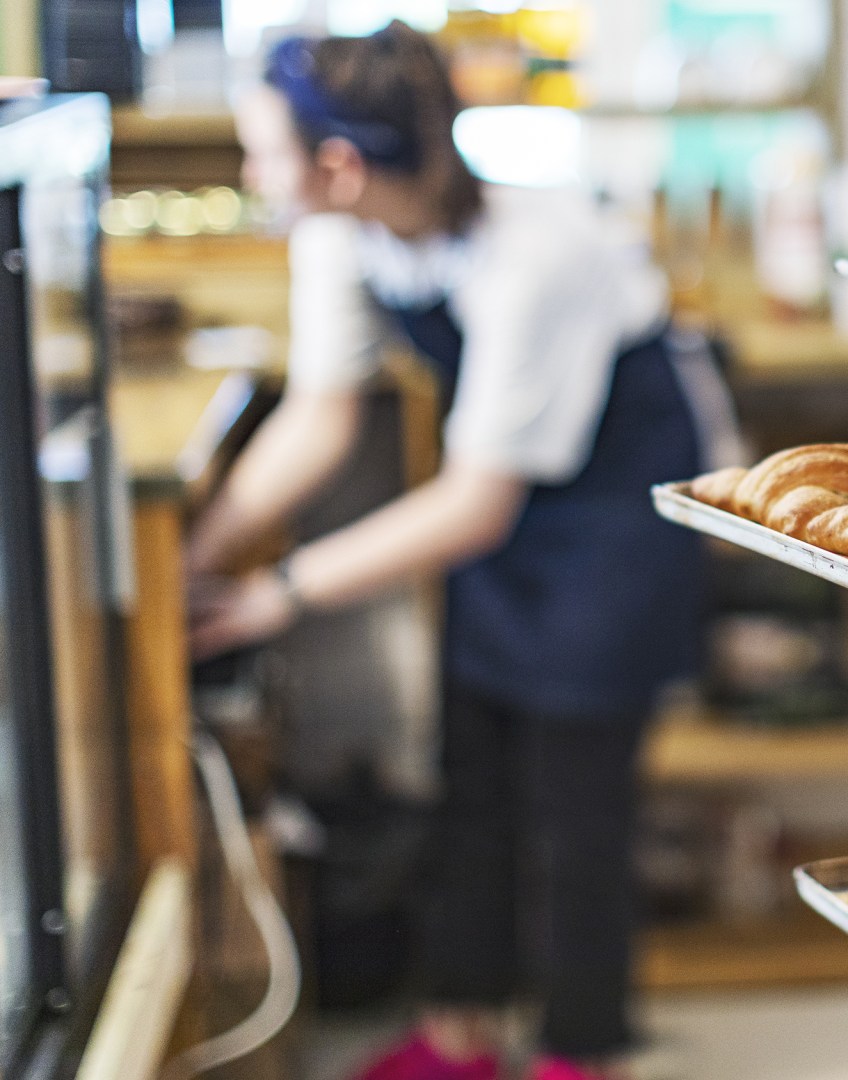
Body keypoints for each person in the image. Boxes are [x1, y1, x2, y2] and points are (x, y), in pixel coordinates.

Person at [189, 23, 712, 1080]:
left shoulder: (540, 251)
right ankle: (463, 1031)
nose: (251, 173)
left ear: (336, 164)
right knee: (471, 782)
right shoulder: (341, 230)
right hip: (511, 508)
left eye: (262, 151)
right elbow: (320, 418)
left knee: (577, 814)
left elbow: (473, 503)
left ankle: (578, 1051)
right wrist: (203, 555)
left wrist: (277, 594)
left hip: (612, 518)